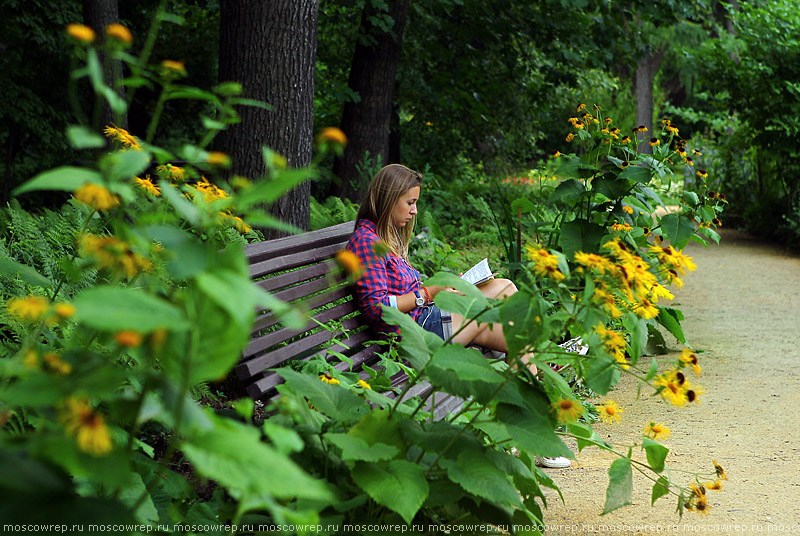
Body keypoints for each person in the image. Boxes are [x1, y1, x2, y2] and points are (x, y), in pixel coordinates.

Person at [345, 163, 571, 469]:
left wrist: (450, 287)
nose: (414, 211)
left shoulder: (388, 238)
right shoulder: (366, 242)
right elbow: (377, 308)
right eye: (410, 203)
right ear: (388, 198)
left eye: (416, 203)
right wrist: (430, 292)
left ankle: (530, 436)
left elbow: (408, 291)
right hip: (412, 338)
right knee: (504, 288)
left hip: (428, 321)